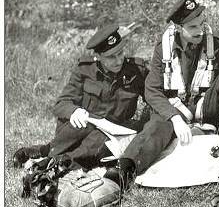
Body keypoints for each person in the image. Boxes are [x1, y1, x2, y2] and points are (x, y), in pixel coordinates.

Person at [107, 0, 219, 191]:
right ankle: (126, 168)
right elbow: (152, 90)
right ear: (179, 28)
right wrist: (174, 118)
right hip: (176, 106)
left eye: (202, 23)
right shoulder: (163, 48)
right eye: (192, 27)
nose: (200, 30)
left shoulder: (215, 44)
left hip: (205, 104)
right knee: (157, 125)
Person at [13, 23, 148, 170]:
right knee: (83, 124)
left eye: (120, 53)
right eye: (111, 57)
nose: (118, 60)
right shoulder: (85, 70)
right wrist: (74, 111)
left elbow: (155, 95)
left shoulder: (137, 71)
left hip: (111, 133)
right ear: (98, 57)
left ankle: (57, 163)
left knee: (97, 140)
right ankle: (47, 150)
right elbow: (61, 103)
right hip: (80, 130)